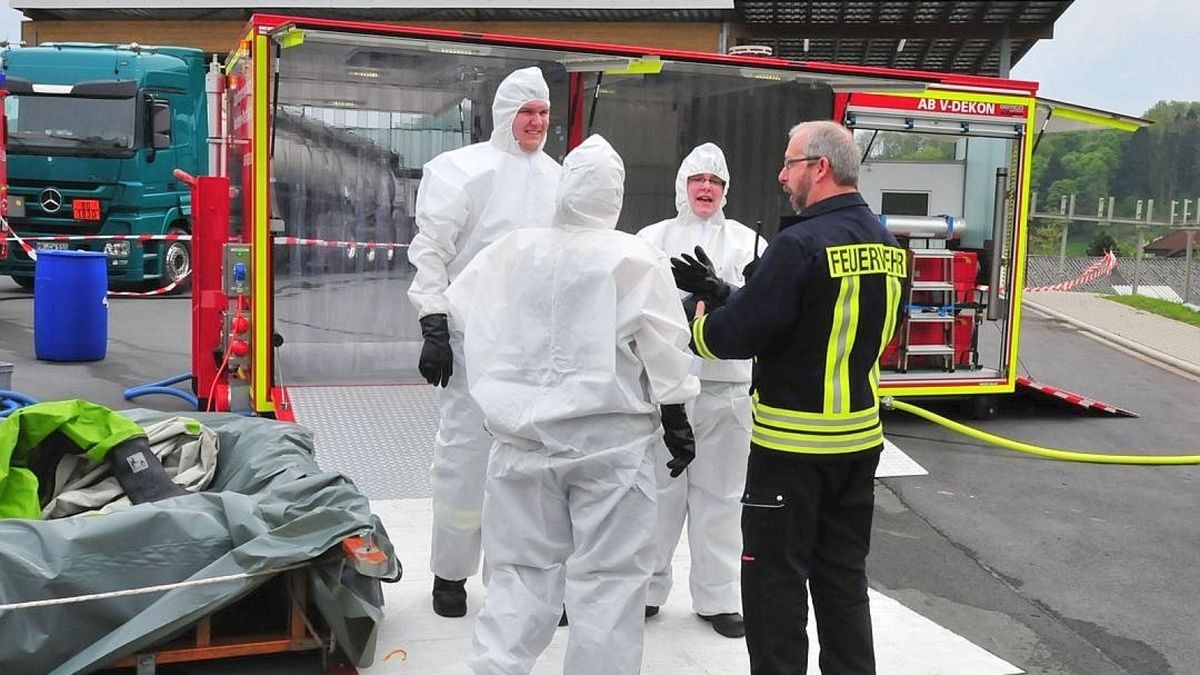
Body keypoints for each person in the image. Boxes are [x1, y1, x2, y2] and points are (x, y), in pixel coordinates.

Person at [445, 134, 701, 674]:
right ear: (616, 195)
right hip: (610, 448)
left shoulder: (511, 250)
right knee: (609, 586)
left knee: (517, 578)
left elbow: (467, 311)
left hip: (521, 444)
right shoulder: (634, 256)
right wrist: (677, 415)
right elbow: (664, 348)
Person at [672, 120, 904, 674]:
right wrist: (734, 292)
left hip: (790, 452)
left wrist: (700, 317)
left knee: (775, 588)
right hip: (857, 447)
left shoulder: (798, 244)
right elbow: (833, 320)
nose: (781, 175)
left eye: (789, 163)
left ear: (819, 168)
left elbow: (735, 338)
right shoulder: (888, 245)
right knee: (843, 580)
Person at [406, 66, 562, 618]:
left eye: (543, 112)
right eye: (527, 112)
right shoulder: (460, 171)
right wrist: (433, 323)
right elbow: (431, 252)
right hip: (473, 340)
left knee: (529, 464)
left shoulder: (558, 178)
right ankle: (450, 573)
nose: (537, 122)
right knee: (464, 458)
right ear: (504, 115)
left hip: (536, 346)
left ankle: (514, 574)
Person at [637, 142, 765, 638]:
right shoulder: (652, 239)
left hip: (727, 393)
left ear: (725, 190)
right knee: (658, 496)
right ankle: (647, 590)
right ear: (682, 186)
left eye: (715, 181)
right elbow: (633, 304)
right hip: (665, 391)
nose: (706, 187)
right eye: (697, 179)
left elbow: (766, 307)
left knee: (722, 497)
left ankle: (719, 597)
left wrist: (720, 293)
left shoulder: (748, 242)